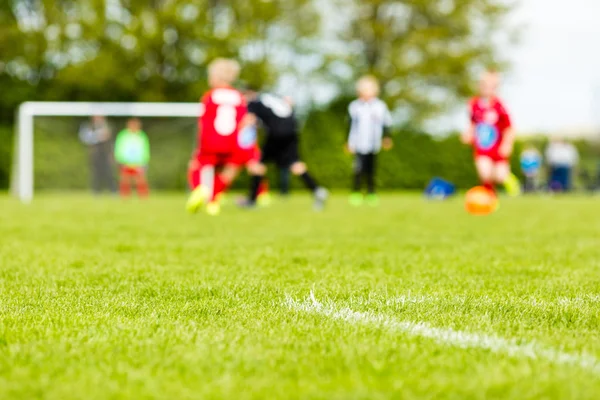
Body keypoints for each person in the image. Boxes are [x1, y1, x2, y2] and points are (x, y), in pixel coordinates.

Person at [241, 88, 329, 210]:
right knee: (295, 164)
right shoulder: (271, 97)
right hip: (292, 131)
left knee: (258, 165)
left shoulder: (254, 103)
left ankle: (251, 200)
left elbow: (248, 120)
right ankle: (317, 190)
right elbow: (288, 104)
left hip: (276, 133)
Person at [186, 58, 248, 216]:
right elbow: (243, 122)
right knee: (229, 171)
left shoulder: (210, 96)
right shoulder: (239, 97)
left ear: (217, 77)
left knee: (196, 166)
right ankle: (213, 201)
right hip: (232, 141)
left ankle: (201, 189)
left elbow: (203, 122)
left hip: (211, 141)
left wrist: (199, 145)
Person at [461, 71, 517, 196]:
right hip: (482, 147)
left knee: (500, 176)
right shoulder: (473, 104)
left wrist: (507, 144)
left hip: (498, 147)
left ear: (496, 87)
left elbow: (509, 128)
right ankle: (489, 196)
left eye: (491, 85)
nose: (486, 88)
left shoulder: (500, 105)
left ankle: (511, 181)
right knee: (485, 172)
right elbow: (472, 123)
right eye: (483, 84)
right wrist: (468, 134)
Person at [347, 75, 393, 206]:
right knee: (358, 169)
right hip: (358, 142)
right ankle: (356, 192)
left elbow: (387, 123)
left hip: (373, 143)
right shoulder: (355, 106)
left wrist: (387, 137)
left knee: (371, 170)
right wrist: (348, 142)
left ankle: (371, 193)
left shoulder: (380, 106)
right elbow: (350, 125)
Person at [78, 115, 116, 194]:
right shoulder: (89, 127)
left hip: (105, 153)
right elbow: (86, 138)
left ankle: (113, 190)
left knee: (109, 172)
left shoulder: (107, 127)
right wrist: (99, 136)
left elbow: (110, 142)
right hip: (95, 154)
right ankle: (96, 191)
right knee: (96, 173)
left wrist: (111, 154)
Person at [114, 118, 150, 197]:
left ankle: (143, 197)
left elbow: (145, 149)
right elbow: (118, 148)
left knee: (140, 180)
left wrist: (145, 161)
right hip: (125, 162)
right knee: (125, 180)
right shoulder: (123, 135)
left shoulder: (142, 136)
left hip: (139, 162)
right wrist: (119, 160)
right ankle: (124, 197)